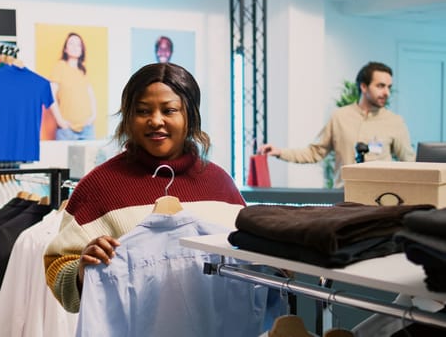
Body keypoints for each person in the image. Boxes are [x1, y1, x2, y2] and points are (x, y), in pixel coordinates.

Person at [44, 62, 247, 313]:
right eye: (142, 111)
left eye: (169, 110)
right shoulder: (98, 186)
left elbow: (246, 258)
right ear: (129, 117)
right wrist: (80, 272)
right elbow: (56, 265)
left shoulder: (220, 184)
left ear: (190, 116)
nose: (155, 121)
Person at [258, 61, 415, 188]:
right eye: (380, 86)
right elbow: (315, 152)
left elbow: (410, 162)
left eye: (389, 87)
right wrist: (280, 152)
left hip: (381, 200)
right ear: (364, 86)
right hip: (343, 199)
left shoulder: (395, 122)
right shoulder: (340, 116)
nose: (386, 92)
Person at [46, 32, 97, 140]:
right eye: (71, 44)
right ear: (65, 49)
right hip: (67, 130)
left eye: (78, 44)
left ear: (82, 50)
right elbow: (50, 95)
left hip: (87, 129)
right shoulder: (59, 67)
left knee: (91, 157)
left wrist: (93, 117)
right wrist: (60, 121)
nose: (75, 47)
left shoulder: (83, 71)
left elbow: (91, 95)